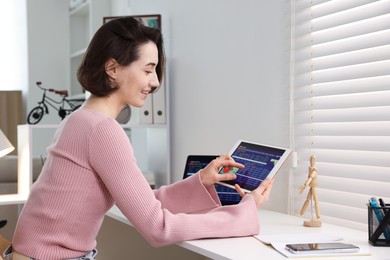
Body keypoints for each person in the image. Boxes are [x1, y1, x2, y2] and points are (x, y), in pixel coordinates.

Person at [6, 17, 274, 260]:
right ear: (112, 68)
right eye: (148, 70)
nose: (156, 82)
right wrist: (242, 214)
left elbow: (142, 201)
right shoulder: (102, 130)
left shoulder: (79, 120)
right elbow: (158, 228)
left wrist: (201, 181)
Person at [299, 154, 321, 227]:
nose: (311, 161)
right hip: (311, 186)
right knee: (307, 199)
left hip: (313, 186)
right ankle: (301, 212)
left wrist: (305, 185)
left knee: (315, 201)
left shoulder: (314, 170)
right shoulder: (310, 168)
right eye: (310, 159)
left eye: (313, 160)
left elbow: (311, 177)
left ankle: (318, 217)